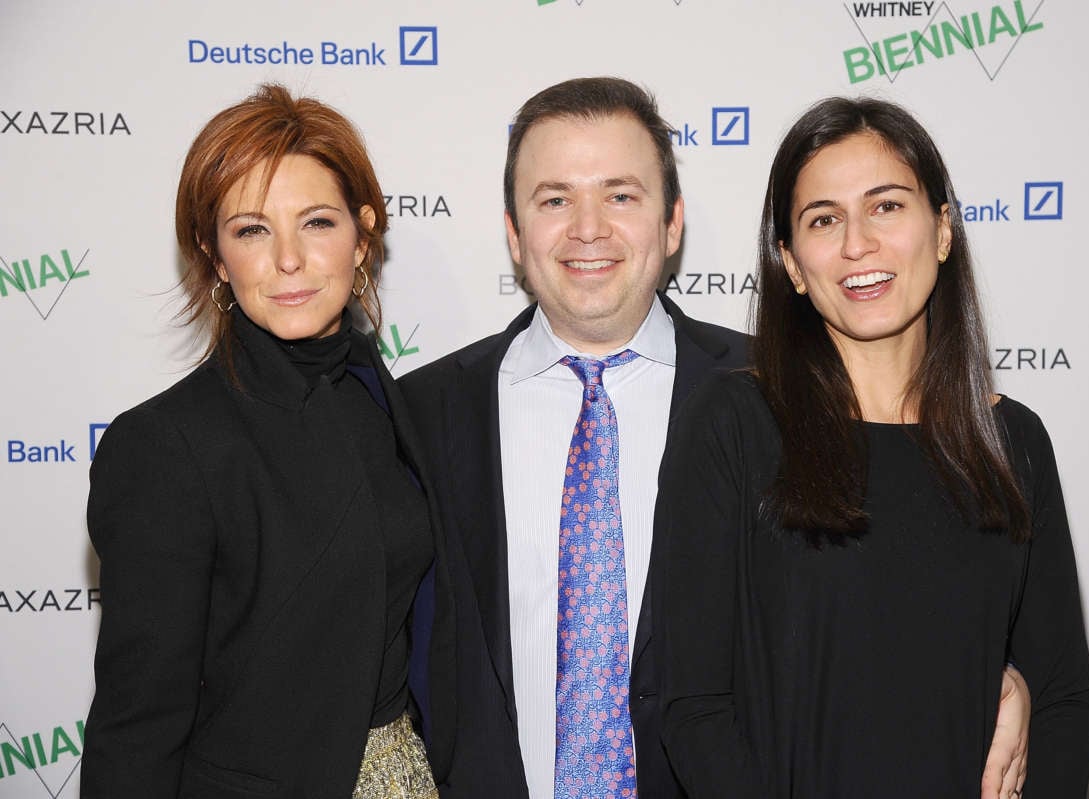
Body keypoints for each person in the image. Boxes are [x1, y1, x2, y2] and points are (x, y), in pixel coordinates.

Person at [398, 77, 1032, 799]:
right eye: (554, 199)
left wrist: (1006, 680)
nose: (588, 228)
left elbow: (900, 603)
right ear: (514, 232)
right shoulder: (420, 413)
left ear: (673, 224)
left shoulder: (795, 402)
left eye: (621, 195)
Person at [653, 96, 1089, 798]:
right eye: (823, 219)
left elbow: (1065, 698)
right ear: (793, 264)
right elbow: (692, 704)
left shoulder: (1014, 441)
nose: (857, 243)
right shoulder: (732, 424)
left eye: (887, 206)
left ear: (943, 230)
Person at [82, 84, 452, 799]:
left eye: (316, 221)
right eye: (251, 229)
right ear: (215, 256)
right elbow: (139, 724)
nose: (288, 259)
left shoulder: (382, 399)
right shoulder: (163, 446)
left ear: (363, 234)